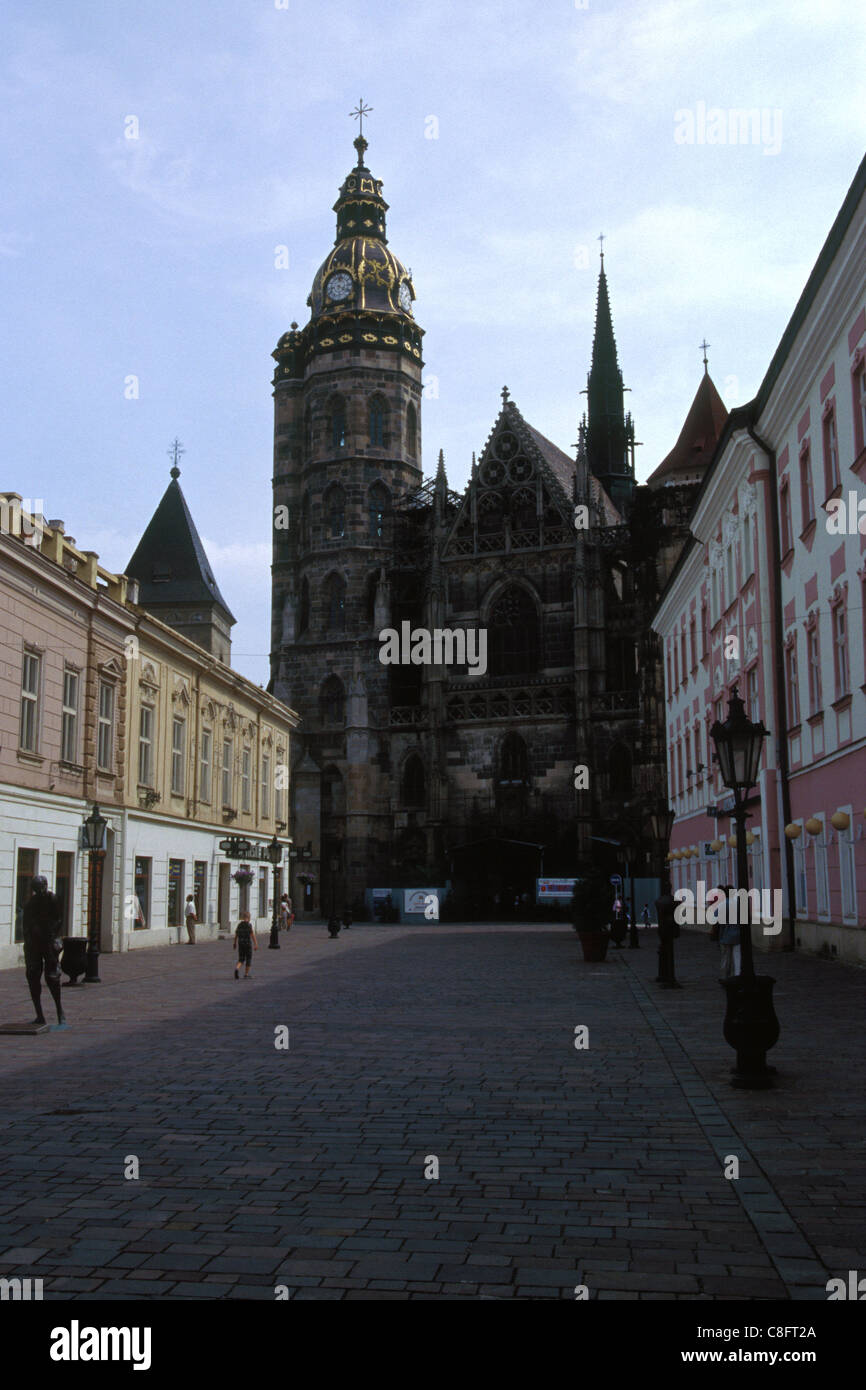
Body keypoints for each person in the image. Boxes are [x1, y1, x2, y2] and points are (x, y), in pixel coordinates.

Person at [22, 876, 66, 1027]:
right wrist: (31, 936)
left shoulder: (52, 899)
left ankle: (60, 1011)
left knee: (52, 978)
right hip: (34, 944)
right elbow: (26, 927)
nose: (39, 891)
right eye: (36, 889)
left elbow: (59, 919)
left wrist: (51, 933)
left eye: (41, 888)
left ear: (46, 886)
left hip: (48, 941)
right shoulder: (31, 904)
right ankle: (39, 1015)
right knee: (33, 976)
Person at [233, 910, 257, 979]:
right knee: (248, 959)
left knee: (241, 959)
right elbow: (252, 935)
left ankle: (237, 968)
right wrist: (256, 944)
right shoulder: (249, 925)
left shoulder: (239, 925)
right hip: (247, 944)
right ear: (249, 918)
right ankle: (246, 974)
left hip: (241, 944)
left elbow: (236, 935)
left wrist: (234, 943)